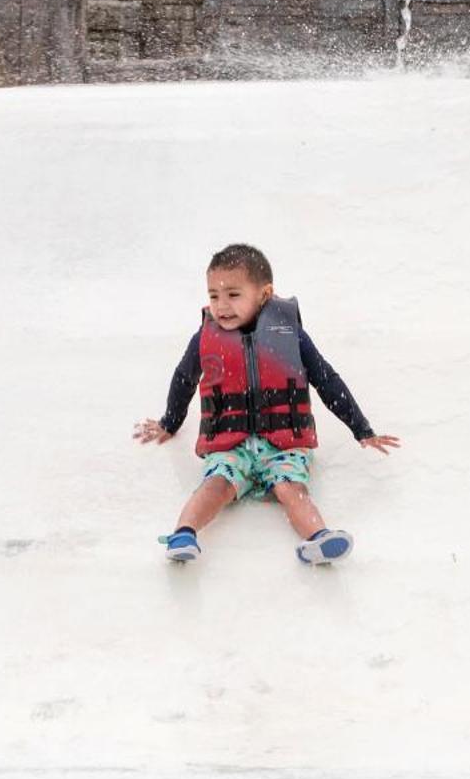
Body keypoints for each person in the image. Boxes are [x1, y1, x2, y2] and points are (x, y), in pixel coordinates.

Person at [134, 242, 399, 565]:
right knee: (215, 486)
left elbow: (327, 380)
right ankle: (184, 534)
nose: (221, 305)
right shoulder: (205, 337)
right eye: (214, 295)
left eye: (233, 294)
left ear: (264, 293)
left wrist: (362, 429)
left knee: (292, 490)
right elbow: (184, 378)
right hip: (231, 444)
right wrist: (169, 423)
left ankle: (319, 538)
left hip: (283, 445)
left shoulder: (290, 334)